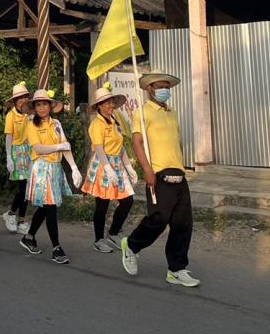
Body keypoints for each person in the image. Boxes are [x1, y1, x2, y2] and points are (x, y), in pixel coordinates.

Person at [120, 72, 199, 288]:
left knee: (183, 224)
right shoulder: (143, 112)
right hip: (158, 173)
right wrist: (147, 170)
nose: (165, 90)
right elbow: (137, 142)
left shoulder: (172, 113)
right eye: (161, 87)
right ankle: (132, 245)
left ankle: (176, 269)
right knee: (158, 219)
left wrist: (183, 168)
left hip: (178, 172)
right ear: (150, 89)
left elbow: (177, 142)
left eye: (168, 87)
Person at [19, 89, 80, 265]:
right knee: (51, 207)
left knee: (47, 207)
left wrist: (74, 167)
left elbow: (65, 146)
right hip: (41, 168)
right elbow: (38, 148)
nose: (42, 107)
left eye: (45, 104)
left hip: (55, 168)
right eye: (38, 104)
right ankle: (56, 248)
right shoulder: (31, 124)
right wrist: (58, 147)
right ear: (34, 107)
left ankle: (29, 237)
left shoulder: (56, 123)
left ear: (50, 106)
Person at [81, 82, 137, 253]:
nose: (110, 106)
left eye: (111, 102)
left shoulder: (114, 121)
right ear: (98, 106)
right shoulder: (96, 124)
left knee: (128, 200)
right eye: (106, 103)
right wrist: (108, 169)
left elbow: (121, 147)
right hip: (103, 165)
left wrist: (129, 168)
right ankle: (98, 240)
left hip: (117, 164)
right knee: (102, 204)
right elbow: (99, 149)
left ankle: (113, 232)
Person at [2, 81, 33, 234]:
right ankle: (13, 215)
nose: (22, 101)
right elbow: (9, 137)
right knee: (23, 189)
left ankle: (19, 219)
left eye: (25, 97)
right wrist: (9, 157)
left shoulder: (30, 114)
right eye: (19, 98)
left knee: (27, 190)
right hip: (16, 152)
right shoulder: (10, 115)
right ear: (15, 101)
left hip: (29, 152)